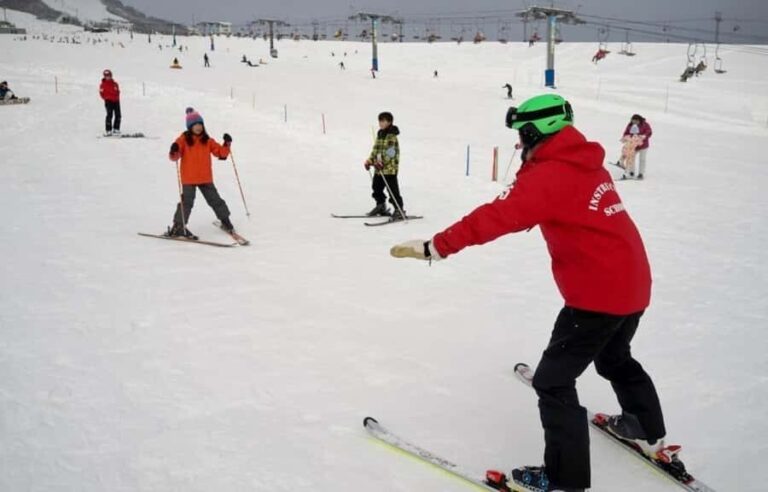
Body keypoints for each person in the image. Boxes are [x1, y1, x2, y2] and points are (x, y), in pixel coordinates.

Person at [390, 94, 668, 492]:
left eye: (523, 133)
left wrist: (436, 246)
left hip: (597, 298)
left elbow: (496, 216)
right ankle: (644, 428)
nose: (519, 142)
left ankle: (563, 480)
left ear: (539, 131)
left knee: (553, 383)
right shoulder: (584, 163)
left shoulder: (550, 175)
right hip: (633, 284)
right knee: (614, 357)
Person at [165, 108, 236, 238]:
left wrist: (227, 144)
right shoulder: (183, 139)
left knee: (215, 200)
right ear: (190, 127)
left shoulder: (207, 140)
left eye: (200, 124)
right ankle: (178, 226)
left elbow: (221, 153)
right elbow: (174, 157)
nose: (198, 127)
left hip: (205, 178)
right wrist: (173, 150)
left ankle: (225, 221)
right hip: (189, 179)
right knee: (186, 203)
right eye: (195, 125)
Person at [364, 112, 404, 219]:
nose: (381, 123)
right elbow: (375, 150)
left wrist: (382, 162)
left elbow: (391, 153)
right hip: (379, 169)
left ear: (389, 122)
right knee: (376, 187)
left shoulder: (391, 136)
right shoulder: (380, 135)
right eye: (380, 121)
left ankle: (399, 209)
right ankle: (381, 205)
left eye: (383, 121)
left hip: (389, 169)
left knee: (392, 190)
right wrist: (369, 161)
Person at [621, 114, 652, 180]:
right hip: (633, 145)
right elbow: (626, 133)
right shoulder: (630, 125)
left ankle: (641, 173)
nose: (634, 122)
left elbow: (649, 132)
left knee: (642, 159)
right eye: (633, 121)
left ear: (639, 120)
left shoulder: (645, 125)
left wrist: (644, 136)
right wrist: (626, 137)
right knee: (631, 158)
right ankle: (631, 172)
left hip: (643, 145)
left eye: (636, 121)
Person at [99, 69, 121, 135]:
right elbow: (101, 93)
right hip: (108, 101)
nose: (107, 77)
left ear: (111, 76)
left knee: (118, 115)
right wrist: (106, 98)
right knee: (109, 115)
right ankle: (108, 130)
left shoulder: (115, 84)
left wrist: (117, 97)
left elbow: (118, 91)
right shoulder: (102, 85)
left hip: (116, 101)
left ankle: (116, 129)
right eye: (106, 76)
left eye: (109, 76)